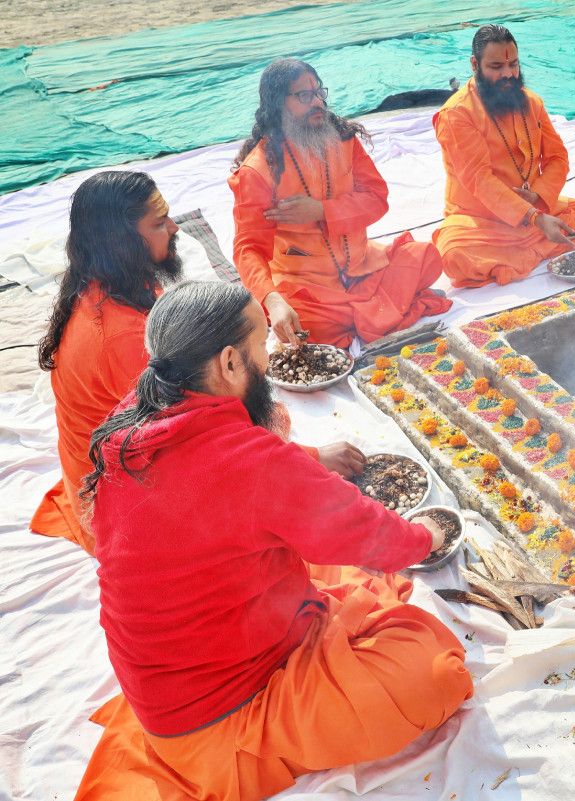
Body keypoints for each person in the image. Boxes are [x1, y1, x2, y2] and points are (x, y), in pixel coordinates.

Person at [74, 281, 473, 801]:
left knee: (324, 566)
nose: (272, 357)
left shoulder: (132, 422)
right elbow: (370, 534)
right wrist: (425, 537)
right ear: (230, 364)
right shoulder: (249, 462)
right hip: (221, 720)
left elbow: (242, 485)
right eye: (263, 345)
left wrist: (307, 463)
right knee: (436, 672)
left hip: (172, 682)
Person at [230, 58, 450, 348]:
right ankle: (378, 312)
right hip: (310, 288)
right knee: (307, 323)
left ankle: (365, 314)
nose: (317, 102)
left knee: (427, 256)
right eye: (304, 96)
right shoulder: (258, 170)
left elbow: (377, 199)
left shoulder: (343, 140)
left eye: (320, 92)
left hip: (364, 268)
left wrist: (322, 211)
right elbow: (248, 248)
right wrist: (272, 300)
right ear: (277, 104)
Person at [30, 172, 182, 555]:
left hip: (97, 472)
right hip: (122, 515)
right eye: (159, 222)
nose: (174, 226)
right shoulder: (124, 337)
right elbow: (187, 437)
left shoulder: (106, 283)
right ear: (123, 242)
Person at [432, 25, 575, 287]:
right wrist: (534, 218)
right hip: (482, 219)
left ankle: (525, 253)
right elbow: (479, 179)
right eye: (496, 67)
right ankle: (537, 246)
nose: (508, 74)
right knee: (454, 257)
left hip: (537, 207)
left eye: (514, 65)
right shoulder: (457, 114)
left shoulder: (531, 102)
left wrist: (538, 197)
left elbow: (557, 158)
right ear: (475, 64)